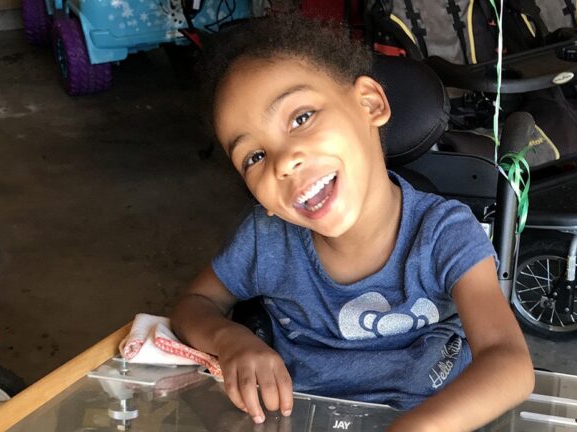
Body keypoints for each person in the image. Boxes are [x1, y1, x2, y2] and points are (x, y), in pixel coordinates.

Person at [171, 13, 534, 432]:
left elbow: (509, 363)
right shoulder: (265, 241)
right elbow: (193, 304)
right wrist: (230, 339)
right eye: (254, 157)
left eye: (301, 118)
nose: (283, 163)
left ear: (369, 104)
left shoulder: (443, 234)